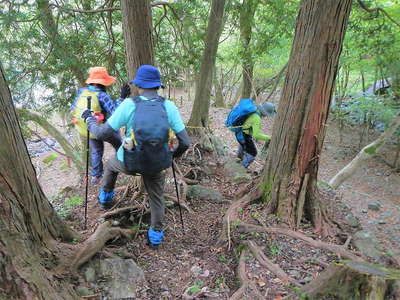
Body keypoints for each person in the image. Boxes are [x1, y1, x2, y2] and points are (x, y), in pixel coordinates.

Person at [81, 65, 190, 249]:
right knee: (157, 198)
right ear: (157, 86)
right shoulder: (169, 106)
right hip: (157, 163)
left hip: (129, 162)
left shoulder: (129, 105)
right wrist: (170, 157)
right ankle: (155, 239)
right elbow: (185, 142)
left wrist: (89, 120)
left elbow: (102, 134)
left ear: (138, 85)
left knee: (110, 166)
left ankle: (105, 200)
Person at [70, 67, 131, 184]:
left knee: (96, 151)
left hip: (87, 128)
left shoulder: (82, 92)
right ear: (102, 83)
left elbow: (72, 109)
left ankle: (96, 176)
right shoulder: (101, 95)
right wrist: (122, 97)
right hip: (101, 129)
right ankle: (126, 163)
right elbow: (115, 113)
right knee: (119, 143)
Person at [236, 101, 276, 168]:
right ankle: (241, 168)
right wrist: (268, 137)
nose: (266, 116)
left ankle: (238, 160)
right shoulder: (257, 118)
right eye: (267, 114)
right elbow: (256, 135)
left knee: (243, 146)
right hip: (245, 135)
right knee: (253, 153)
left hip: (240, 133)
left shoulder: (254, 111)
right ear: (265, 112)